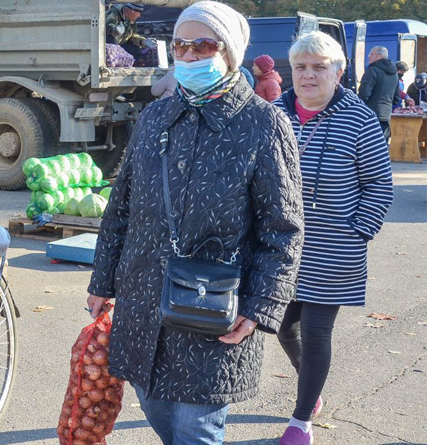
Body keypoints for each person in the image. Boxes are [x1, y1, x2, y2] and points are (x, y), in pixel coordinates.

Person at [87, 2, 305, 443]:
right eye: (180, 45)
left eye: (203, 44)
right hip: (144, 297)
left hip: (214, 305)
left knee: (195, 428)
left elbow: (282, 230)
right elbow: (121, 208)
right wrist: (102, 281)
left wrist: (260, 307)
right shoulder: (154, 118)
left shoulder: (263, 123)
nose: (188, 55)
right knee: (154, 405)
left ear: (230, 52)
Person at [272, 31, 393, 445]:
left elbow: (380, 184)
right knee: (284, 328)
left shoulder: (359, 120)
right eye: (300, 67)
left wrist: (358, 231)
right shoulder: (273, 113)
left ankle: (301, 419)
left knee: (317, 331)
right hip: (278, 248)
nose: (308, 75)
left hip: (334, 247)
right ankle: (313, 389)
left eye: (319, 67)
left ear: (338, 71)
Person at [358, 46, 399, 139]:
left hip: (370, 116)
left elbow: (364, 95)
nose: (369, 56)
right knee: (382, 148)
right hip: (386, 116)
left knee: (369, 148)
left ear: (380, 56)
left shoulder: (372, 70)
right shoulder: (395, 74)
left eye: (371, 54)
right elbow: (396, 98)